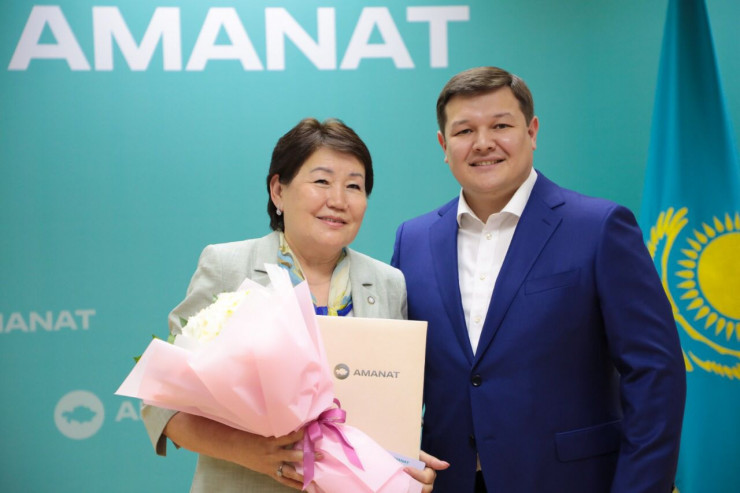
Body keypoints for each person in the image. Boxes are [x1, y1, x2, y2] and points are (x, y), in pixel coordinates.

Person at [391, 67, 686, 493]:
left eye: (500, 126)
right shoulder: (412, 240)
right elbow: (398, 378)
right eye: (464, 131)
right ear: (443, 145)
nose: (483, 143)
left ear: (531, 132)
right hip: (446, 482)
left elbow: (656, 373)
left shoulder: (599, 227)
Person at [142, 117, 448, 492]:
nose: (338, 200)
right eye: (322, 181)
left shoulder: (388, 282)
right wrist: (251, 452)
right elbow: (161, 402)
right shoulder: (227, 267)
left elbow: (386, 412)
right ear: (278, 191)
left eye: (354, 186)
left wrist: (404, 467)